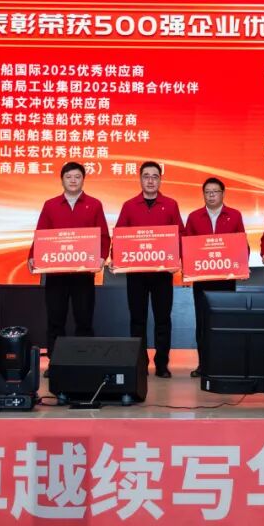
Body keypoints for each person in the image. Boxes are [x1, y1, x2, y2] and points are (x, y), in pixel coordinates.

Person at [28, 162, 111, 371]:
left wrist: (102, 257)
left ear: (83, 179)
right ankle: (56, 363)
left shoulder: (94, 204)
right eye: (69, 177)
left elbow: (103, 236)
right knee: (56, 320)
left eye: (77, 177)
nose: (73, 180)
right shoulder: (50, 205)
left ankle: (84, 363)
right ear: (62, 180)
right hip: (56, 274)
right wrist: (32, 256)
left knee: (84, 319)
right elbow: (41, 235)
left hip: (83, 274)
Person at [114, 161, 185, 378]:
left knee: (163, 319)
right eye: (146, 176)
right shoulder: (129, 205)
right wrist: (116, 257)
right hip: (136, 273)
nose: (151, 180)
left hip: (162, 274)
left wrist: (178, 259)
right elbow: (120, 236)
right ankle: (140, 364)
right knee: (138, 319)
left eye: (155, 176)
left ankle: (162, 364)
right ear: (140, 179)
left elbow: (180, 235)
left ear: (160, 180)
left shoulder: (171, 205)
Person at [184, 177, 246, 378]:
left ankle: (225, 363)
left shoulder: (234, 215)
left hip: (226, 279)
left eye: (215, 192)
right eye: (207, 192)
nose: (211, 195)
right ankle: (203, 365)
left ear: (223, 194)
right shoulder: (194, 217)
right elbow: (187, 245)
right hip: (202, 280)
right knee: (203, 322)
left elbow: (242, 244)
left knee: (225, 320)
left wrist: (242, 265)